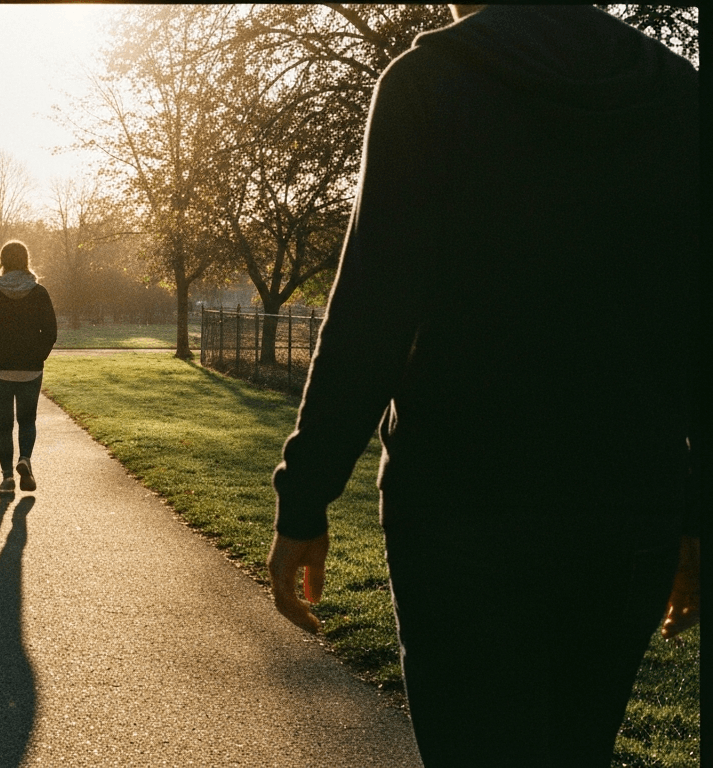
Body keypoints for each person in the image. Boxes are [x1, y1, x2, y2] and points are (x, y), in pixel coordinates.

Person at [266, 5, 699, 766]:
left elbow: (373, 310)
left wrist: (306, 496)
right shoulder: (675, 91)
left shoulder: (430, 83)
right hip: (626, 500)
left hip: (459, 503)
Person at [0, 240, 58, 493]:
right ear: (26, 261)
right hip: (30, 367)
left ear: (2, 261)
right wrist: (38, 356)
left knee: (3, 424)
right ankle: (25, 460)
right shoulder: (39, 293)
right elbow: (50, 331)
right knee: (27, 420)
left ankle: (7, 478)